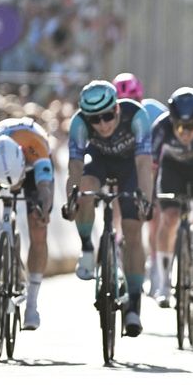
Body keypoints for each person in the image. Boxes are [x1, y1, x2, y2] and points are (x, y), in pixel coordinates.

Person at [63, 80, 153, 337]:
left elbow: (145, 164)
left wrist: (145, 200)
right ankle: (88, 249)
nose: (102, 124)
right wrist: (72, 198)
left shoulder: (137, 115)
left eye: (107, 116)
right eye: (95, 119)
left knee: (132, 230)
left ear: (117, 109)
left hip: (130, 168)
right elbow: (75, 167)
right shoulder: (79, 124)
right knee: (86, 186)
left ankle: (134, 304)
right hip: (98, 162)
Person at [0, 118, 54, 330]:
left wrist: (44, 206)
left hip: (32, 166)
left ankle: (32, 305)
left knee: (39, 227)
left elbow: (45, 188)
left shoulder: (36, 147)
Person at [150, 87, 193, 307]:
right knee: (169, 218)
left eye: (191, 127)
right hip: (172, 169)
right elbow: (150, 166)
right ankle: (163, 282)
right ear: (171, 120)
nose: (185, 132)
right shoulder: (161, 127)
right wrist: (148, 195)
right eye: (179, 126)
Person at [113, 72, 165, 294]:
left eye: (132, 102)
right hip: (125, 167)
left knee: (155, 213)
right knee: (117, 200)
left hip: (152, 167)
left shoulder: (156, 112)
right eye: (121, 102)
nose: (127, 107)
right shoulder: (109, 116)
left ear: (141, 100)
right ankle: (116, 244)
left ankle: (154, 263)